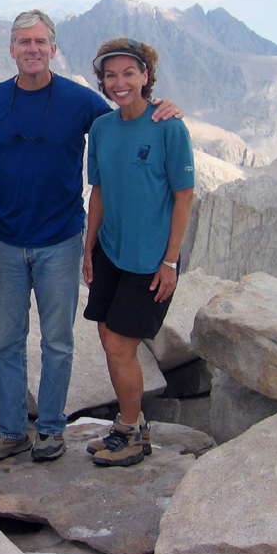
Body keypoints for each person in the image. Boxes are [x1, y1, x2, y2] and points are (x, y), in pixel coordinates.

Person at [0, 10, 182, 465]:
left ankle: (49, 430)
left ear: (53, 48)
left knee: (58, 341)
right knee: (6, 340)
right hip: (6, 238)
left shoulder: (80, 101)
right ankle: (10, 431)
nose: (32, 49)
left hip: (61, 239)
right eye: (24, 42)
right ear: (12, 49)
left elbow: (126, 122)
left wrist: (165, 109)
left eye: (41, 41)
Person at [82, 38, 194, 466]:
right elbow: (99, 191)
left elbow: (184, 196)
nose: (120, 82)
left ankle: (129, 430)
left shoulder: (169, 126)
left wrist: (170, 262)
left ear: (146, 76)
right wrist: (89, 248)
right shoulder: (104, 129)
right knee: (108, 336)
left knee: (119, 346)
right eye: (111, 75)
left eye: (129, 72)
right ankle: (131, 425)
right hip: (111, 250)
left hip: (150, 258)